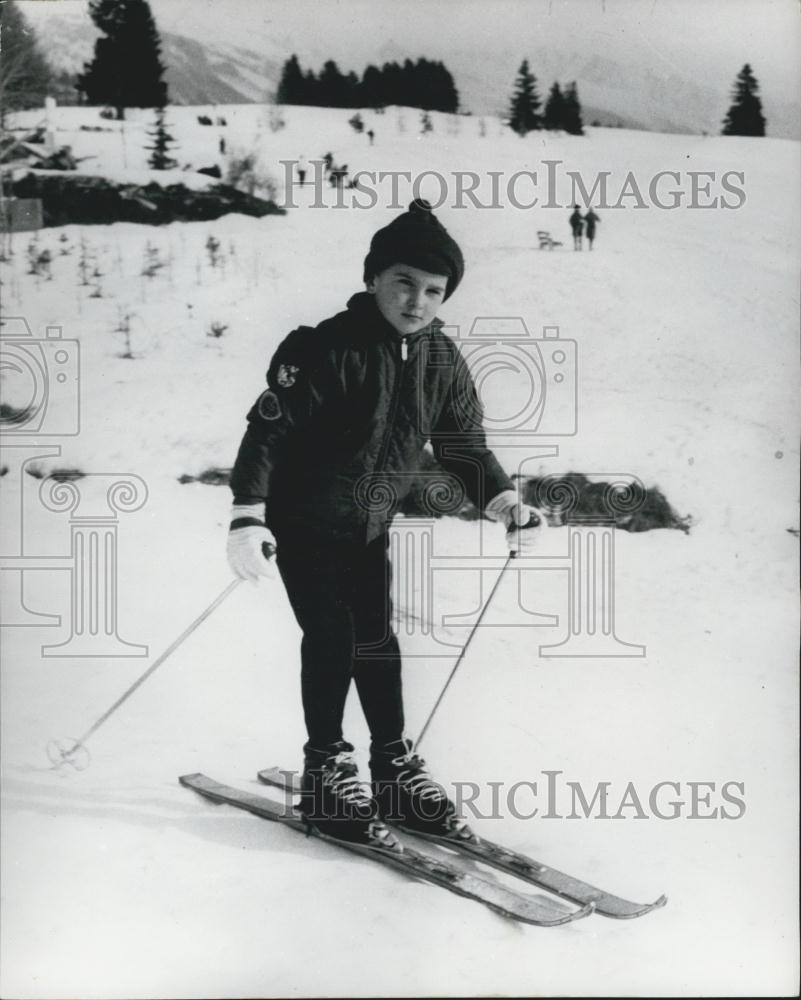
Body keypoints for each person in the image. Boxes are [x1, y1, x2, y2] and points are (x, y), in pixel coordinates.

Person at [226, 199, 544, 849]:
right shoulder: (323, 347)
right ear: (372, 278)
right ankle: (325, 770)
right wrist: (246, 516)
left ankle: (392, 771)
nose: (416, 300)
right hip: (302, 519)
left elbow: (463, 448)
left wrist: (505, 501)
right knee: (334, 633)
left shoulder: (442, 362)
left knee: (376, 640)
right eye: (403, 282)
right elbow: (267, 431)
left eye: (433, 290)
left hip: (369, 526)